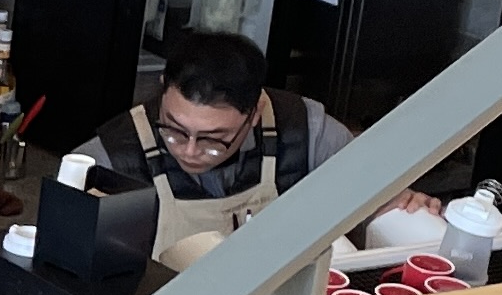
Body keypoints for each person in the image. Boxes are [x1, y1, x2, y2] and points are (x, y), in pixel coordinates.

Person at [79, 30, 438, 229]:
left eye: (214, 140)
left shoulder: (308, 133)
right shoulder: (111, 157)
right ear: (162, 90)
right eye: (174, 130)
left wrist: (402, 206)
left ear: (255, 114)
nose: (189, 150)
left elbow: (372, 204)